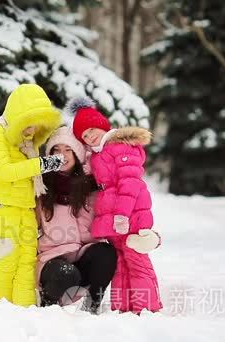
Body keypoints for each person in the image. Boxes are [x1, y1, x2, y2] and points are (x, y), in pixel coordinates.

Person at [69, 97, 163, 314]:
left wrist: (122, 214)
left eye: (92, 129)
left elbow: (129, 182)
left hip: (130, 216)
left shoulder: (120, 146)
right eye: (84, 135)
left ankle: (147, 309)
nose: (90, 136)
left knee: (136, 260)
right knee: (121, 264)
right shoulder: (99, 154)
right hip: (115, 220)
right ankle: (124, 308)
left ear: (102, 125)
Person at [0, 84, 63, 307]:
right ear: (17, 116)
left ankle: (24, 306)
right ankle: (4, 306)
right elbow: (4, 172)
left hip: (24, 207)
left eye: (37, 126)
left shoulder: (27, 146)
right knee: (9, 257)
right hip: (2, 206)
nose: (32, 130)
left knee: (27, 259)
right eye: (28, 123)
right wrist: (41, 165)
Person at [35, 126, 117, 314]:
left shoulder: (92, 186)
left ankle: (92, 306)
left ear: (78, 153)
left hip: (83, 254)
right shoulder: (41, 186)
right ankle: (47, 307)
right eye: (56, 150)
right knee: (66, 273)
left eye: (67, 150)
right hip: (52, 260)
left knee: (106, 252)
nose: (62, 155)